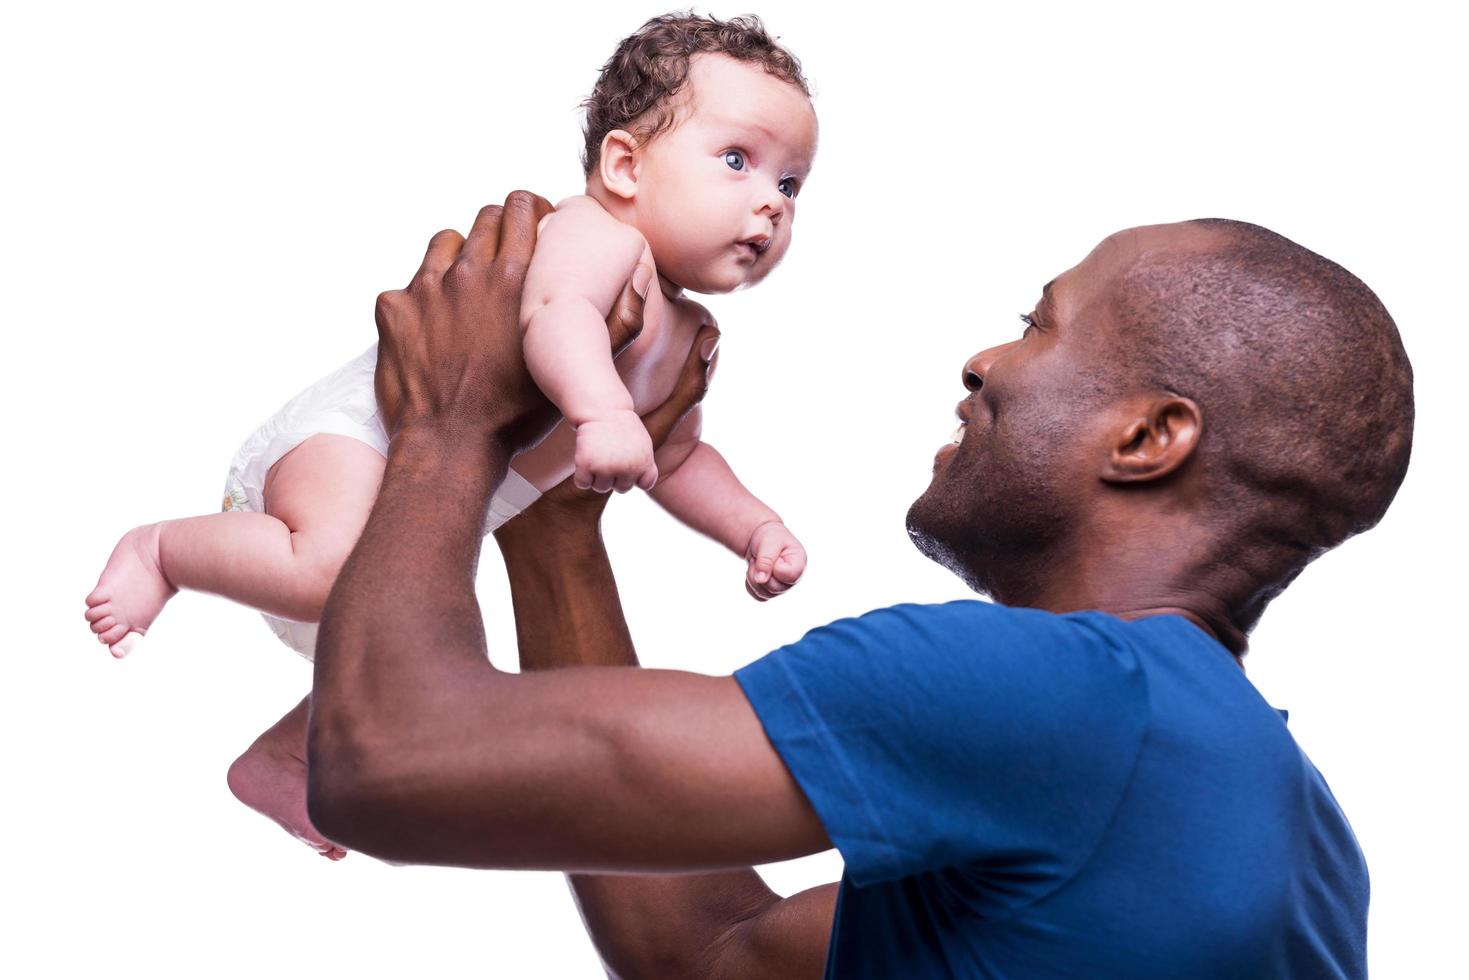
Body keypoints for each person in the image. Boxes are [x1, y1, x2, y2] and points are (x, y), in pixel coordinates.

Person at [306, 193, 1413, 978]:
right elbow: (708, 951)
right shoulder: (1295, 833)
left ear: (1147, 436)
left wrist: (449, 426)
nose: (984, 360)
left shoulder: (1059, 697)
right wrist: (551, 525)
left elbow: (383, 760)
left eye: (1039, 324)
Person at [80, 13, 815, 858]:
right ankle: (162, 551)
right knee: (335, 571)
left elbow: (677, 455)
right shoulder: (597, 237)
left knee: (412, 643)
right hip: (358, 442)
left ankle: (284, 757)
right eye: (738, 160)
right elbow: (555, 314)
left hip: (435, 508)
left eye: (792, 185)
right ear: (624, 165)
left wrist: (751, 527)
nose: (770, 202)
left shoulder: (686, 336)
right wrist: (601, 412)